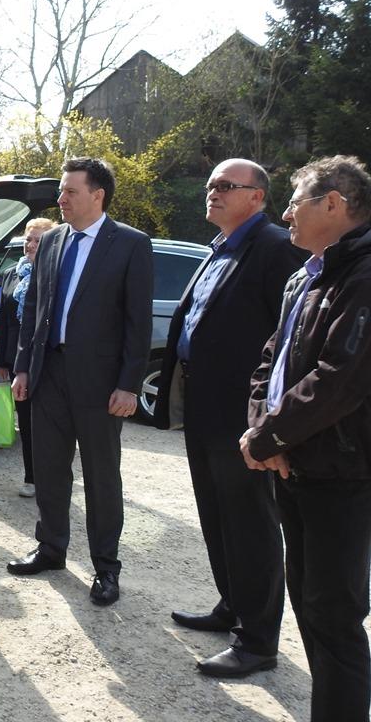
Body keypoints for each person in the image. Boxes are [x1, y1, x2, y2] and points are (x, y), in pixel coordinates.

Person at [153, 159, 303, 678]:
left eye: (225, 186)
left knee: (250, 523)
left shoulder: (276, 248)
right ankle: (232, 605)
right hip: (203, 403)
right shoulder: (219, 247)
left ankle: (258, 641)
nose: (212, 192)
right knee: (216, 514)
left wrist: (271, 419)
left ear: (257, 197)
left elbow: (290, 341)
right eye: (211, 185)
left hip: (243, 411)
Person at [241, 155, 371, 722]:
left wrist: (268, 438)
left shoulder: (362, 277)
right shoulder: (308, 275)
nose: (287, 214)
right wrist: (262, 432)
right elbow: (271, 362)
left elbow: (341, 381)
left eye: (296, 202)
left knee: (334, 614)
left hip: (342, 473)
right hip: (295, 464)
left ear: (334, 204)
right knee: (310, 605)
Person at [8, 157, 152, 606]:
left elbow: (138, 321)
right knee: (50, 468)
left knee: (101, 476)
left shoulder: (130, 244)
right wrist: (23, 367)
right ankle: (51, 548)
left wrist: (129, 384)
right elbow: (34, 308)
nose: (61, 199)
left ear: (97, 195)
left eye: (70, 191)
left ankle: (106, 567)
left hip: (100, 383)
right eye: (61, 191)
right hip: (49, 374)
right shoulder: (52, 240)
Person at [0, 216, 57, 498]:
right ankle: (31, 478)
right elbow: (4, 320)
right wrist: (1, 360)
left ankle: (53, 478)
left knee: (49, 423)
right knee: (27, 422)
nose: (30, 245)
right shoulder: (12, 273)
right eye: (28, 239)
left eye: (37, 240)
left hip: (47, 360)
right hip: (17, 360)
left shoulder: (55, 273)